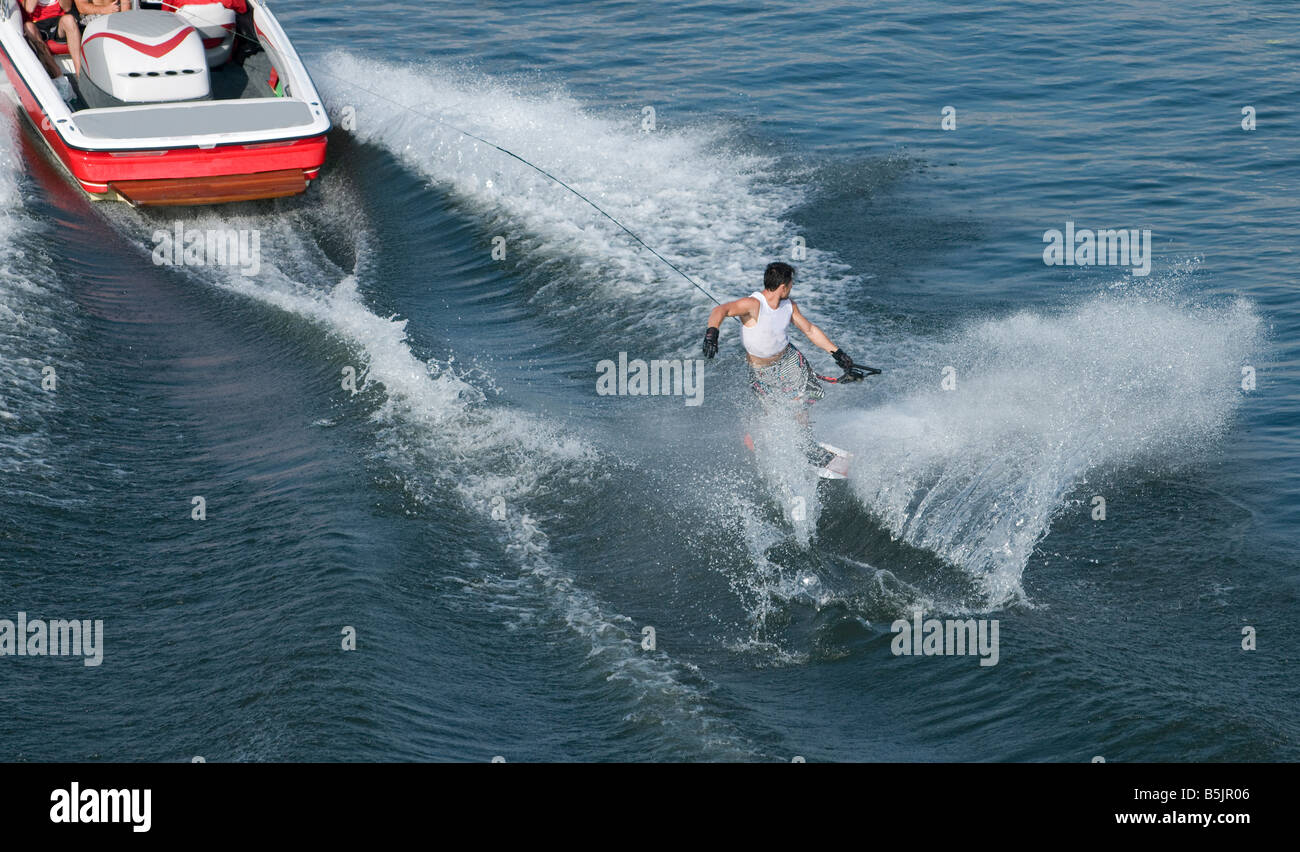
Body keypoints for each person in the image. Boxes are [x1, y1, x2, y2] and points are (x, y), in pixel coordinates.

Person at [702, 262, 863, 410]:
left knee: (806, 397)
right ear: (783, 286)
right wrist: (712, 333)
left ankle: (804, 439)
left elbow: (810, 330)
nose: (792, 286)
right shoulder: (753, 304)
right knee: (774, 410)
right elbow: (720, 310)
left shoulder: (789, 305)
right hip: (760, 370)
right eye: (791, 283)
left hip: (789, 359)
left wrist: (838, 353)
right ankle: (769, 438)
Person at [22, 0, 83, 78]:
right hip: (37, 24)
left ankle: (80, 74)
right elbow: (29, 8)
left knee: (69, 19)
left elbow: (67, 8)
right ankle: (58, 74)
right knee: (28, 27)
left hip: (58, 21)